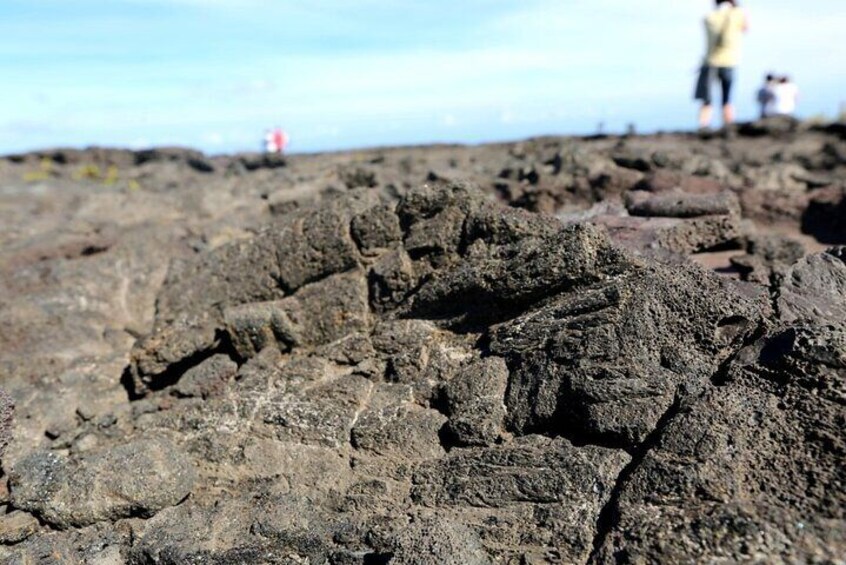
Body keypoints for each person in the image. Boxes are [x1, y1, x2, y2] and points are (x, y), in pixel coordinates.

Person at [694, 0, 749, 129]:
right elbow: (746, 28)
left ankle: (703, 126)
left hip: (710, 62)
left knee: (706, 99)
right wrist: (736, 8)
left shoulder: (709, 17)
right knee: (727, 99)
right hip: (729, 62)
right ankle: (728, 126)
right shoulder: (737, 14)